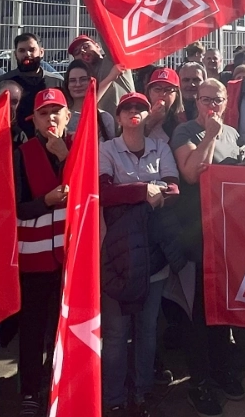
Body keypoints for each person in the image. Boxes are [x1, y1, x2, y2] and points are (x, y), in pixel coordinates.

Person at [170, 79, 245, 416]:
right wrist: (210, 136)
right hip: (196, 237)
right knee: (199, 314)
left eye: (218, 99)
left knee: (222, 311)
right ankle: (199, 383)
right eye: (206, 100)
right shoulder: (185, 132)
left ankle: (221, 370)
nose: (212, 106)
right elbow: (190, 173)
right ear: (196, 102)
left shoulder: (233, 134)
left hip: (227, 235)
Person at [99, 93, 182, 416]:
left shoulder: (160, 147)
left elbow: (173, 189)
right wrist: (143, 191)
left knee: (147, 329)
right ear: (118, 116)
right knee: (116, 332)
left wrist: (133, 194)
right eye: (127, 108)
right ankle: (113, 397)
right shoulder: (106, 149)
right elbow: (103, 192)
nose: (134, 112)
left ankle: (142, 391)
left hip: (153, 253)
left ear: (148, 116)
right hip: (117, 256)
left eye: (140, 108)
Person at [15, 89, 73, 416]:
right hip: (34, 259)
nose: (50, 118)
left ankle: (57, 384)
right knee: (33, 328)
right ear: (33, 119)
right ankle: (29, 390)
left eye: (56, 111)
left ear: (68, 116)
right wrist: (44, 203)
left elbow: (91, 194)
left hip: (70, 258)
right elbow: (16, 207)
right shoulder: (22, 154)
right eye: (43, 112)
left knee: (62, 327)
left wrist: (66, 157)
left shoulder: (79, 148)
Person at [0, 33, 65, 127]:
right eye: (22, 51)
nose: (27, 54)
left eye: (31, 50)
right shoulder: (0, 85)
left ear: (41, 52)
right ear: (15, 54)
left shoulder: (58, 83)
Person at [69, 34, 135, 112]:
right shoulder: (81, 79)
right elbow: (85, 105)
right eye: (77, 52)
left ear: (98, 46)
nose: (82, 51)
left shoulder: (112, 61)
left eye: (86, 46)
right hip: (102, 119)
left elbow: (110, 39)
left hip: (129, 116)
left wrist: (99, 26)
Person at [142, 67, 189, 139]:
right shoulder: (139, 114)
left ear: (177, 94)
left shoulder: (181, 120)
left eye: (168, 90)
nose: (162, 94)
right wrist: (151, 121)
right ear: (149, 92)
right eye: (157, 89)